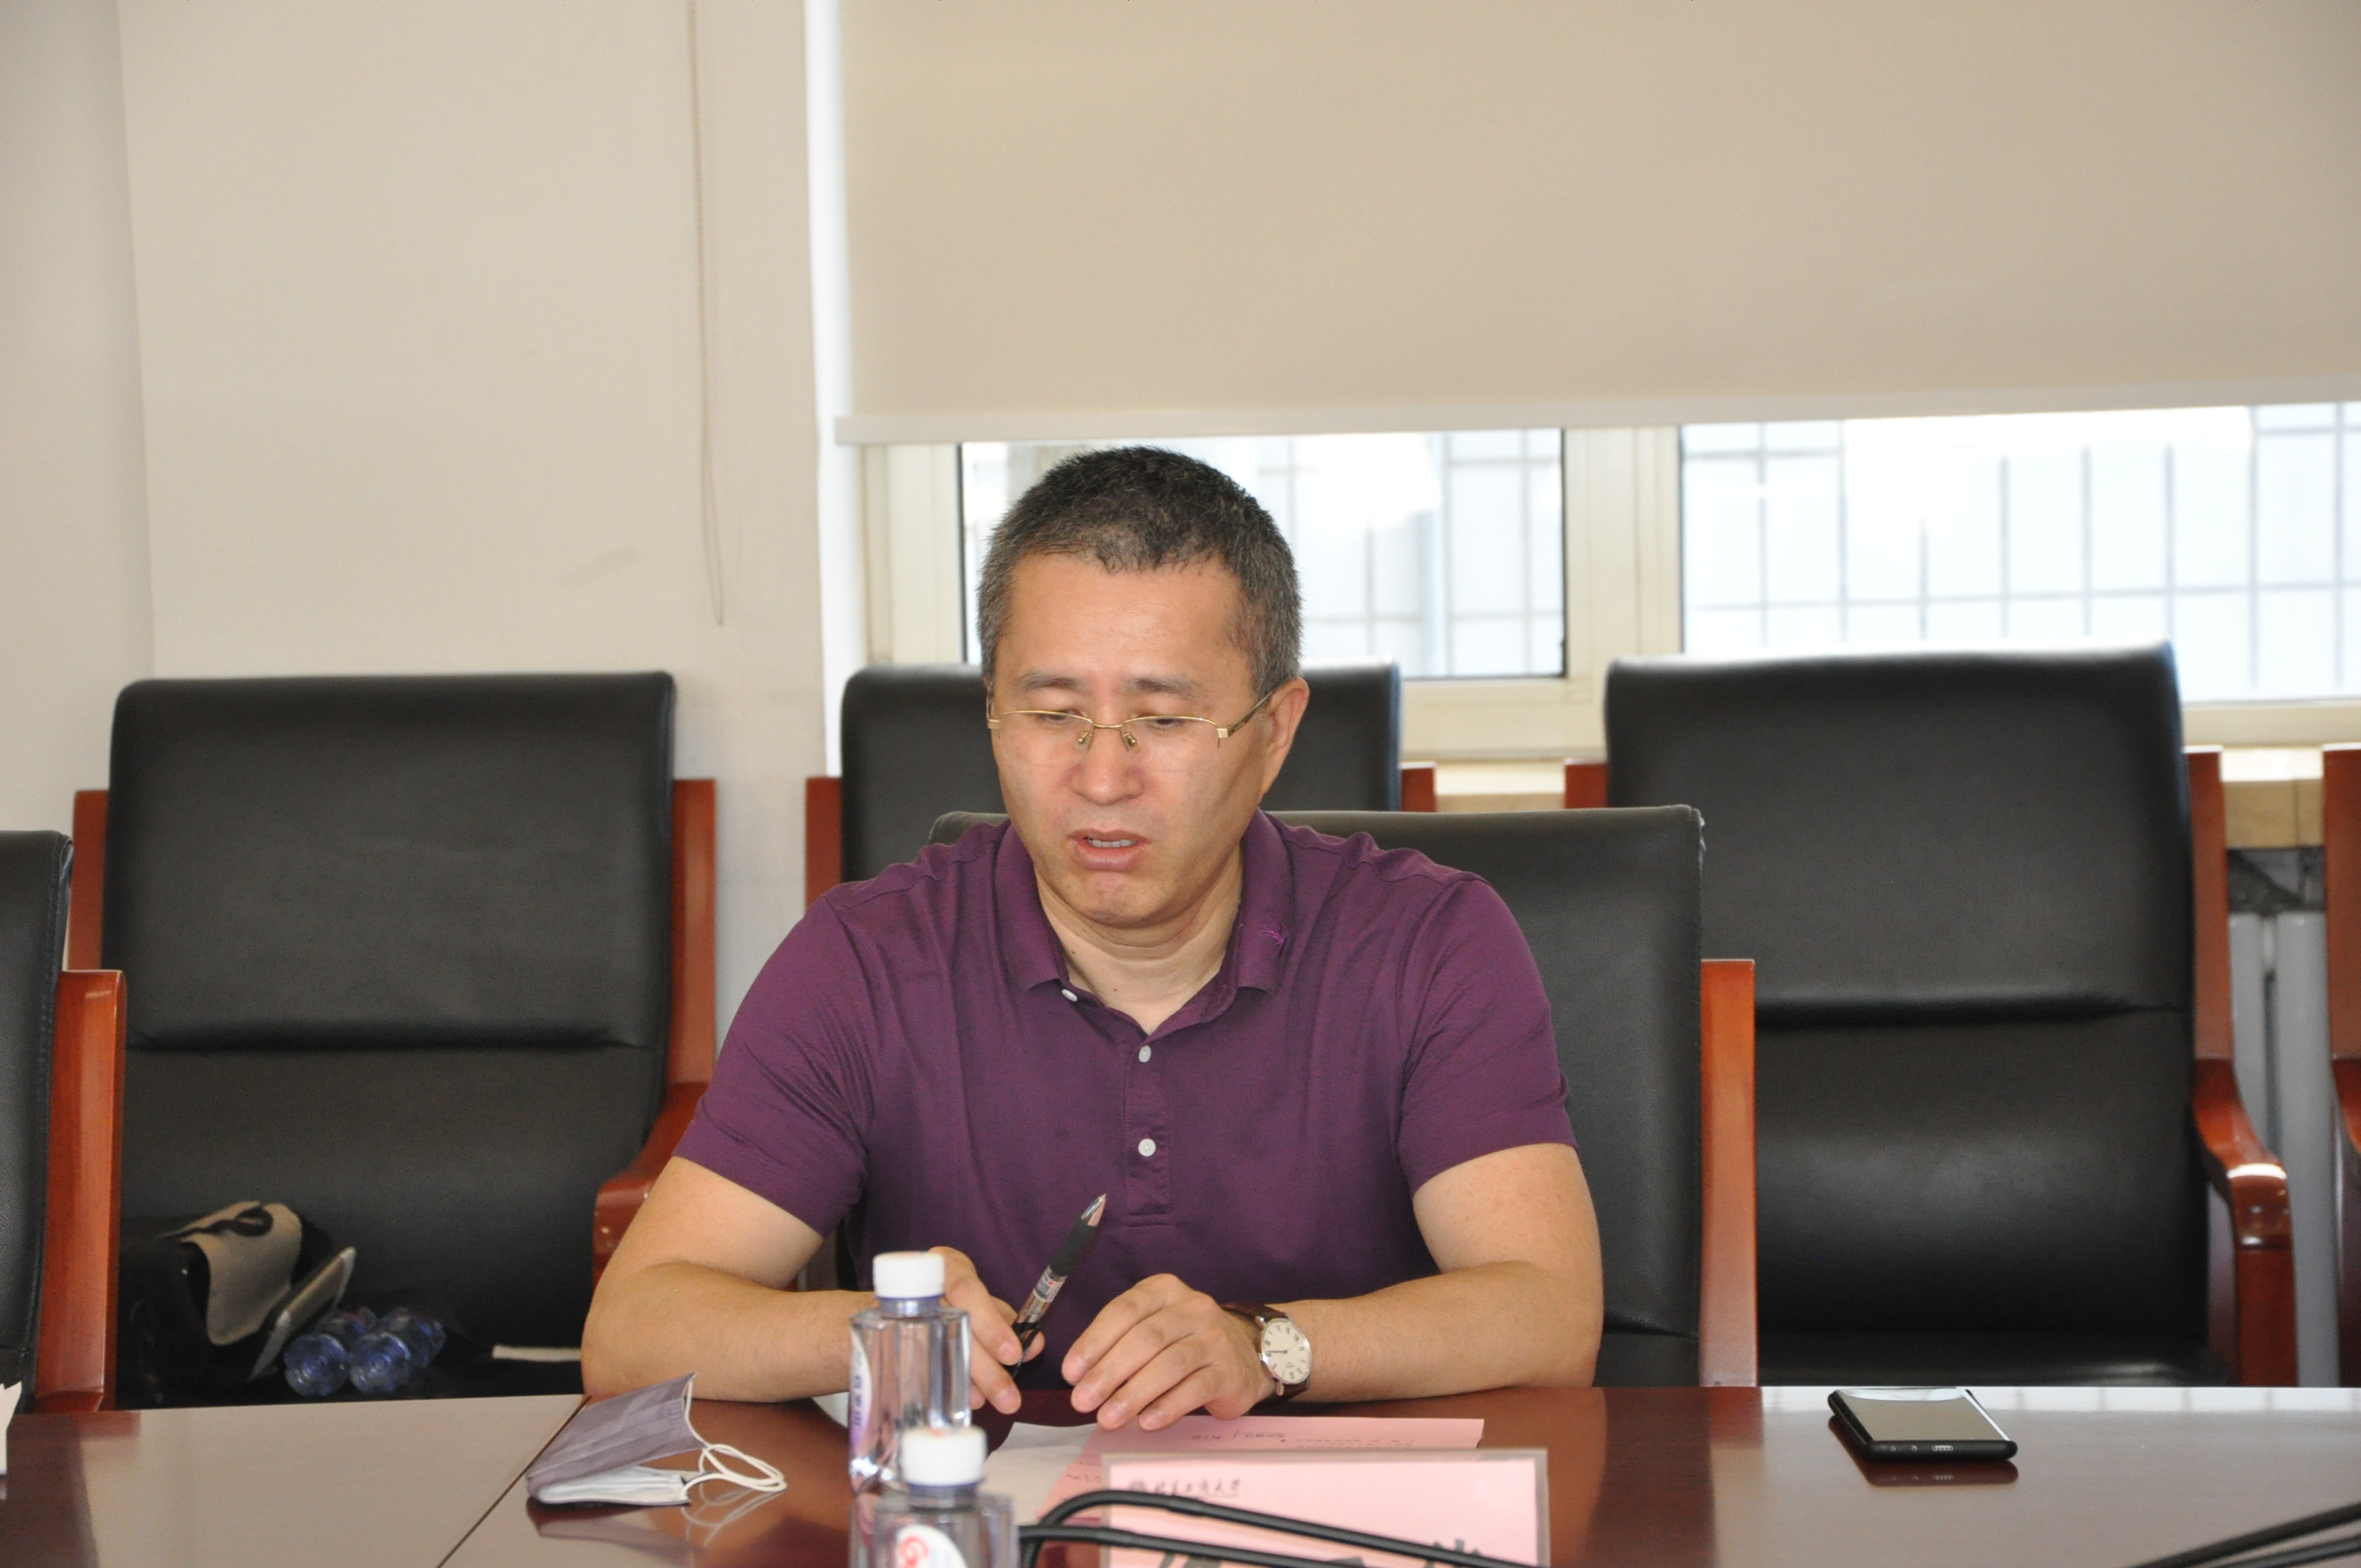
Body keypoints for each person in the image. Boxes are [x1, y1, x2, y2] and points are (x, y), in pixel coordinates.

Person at [583, 446, 1603, 1429]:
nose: (1102, 778)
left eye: (1163, 721)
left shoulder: (1428, 942)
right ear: (993, 713)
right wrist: (873, 1331)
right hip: (977, 1515)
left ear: (1274, 731)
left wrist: (1266, 1346)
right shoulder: (865, 961)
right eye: (1051, 712)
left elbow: (1548, 1313)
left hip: (1343, 1512)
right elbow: (631, 1330)